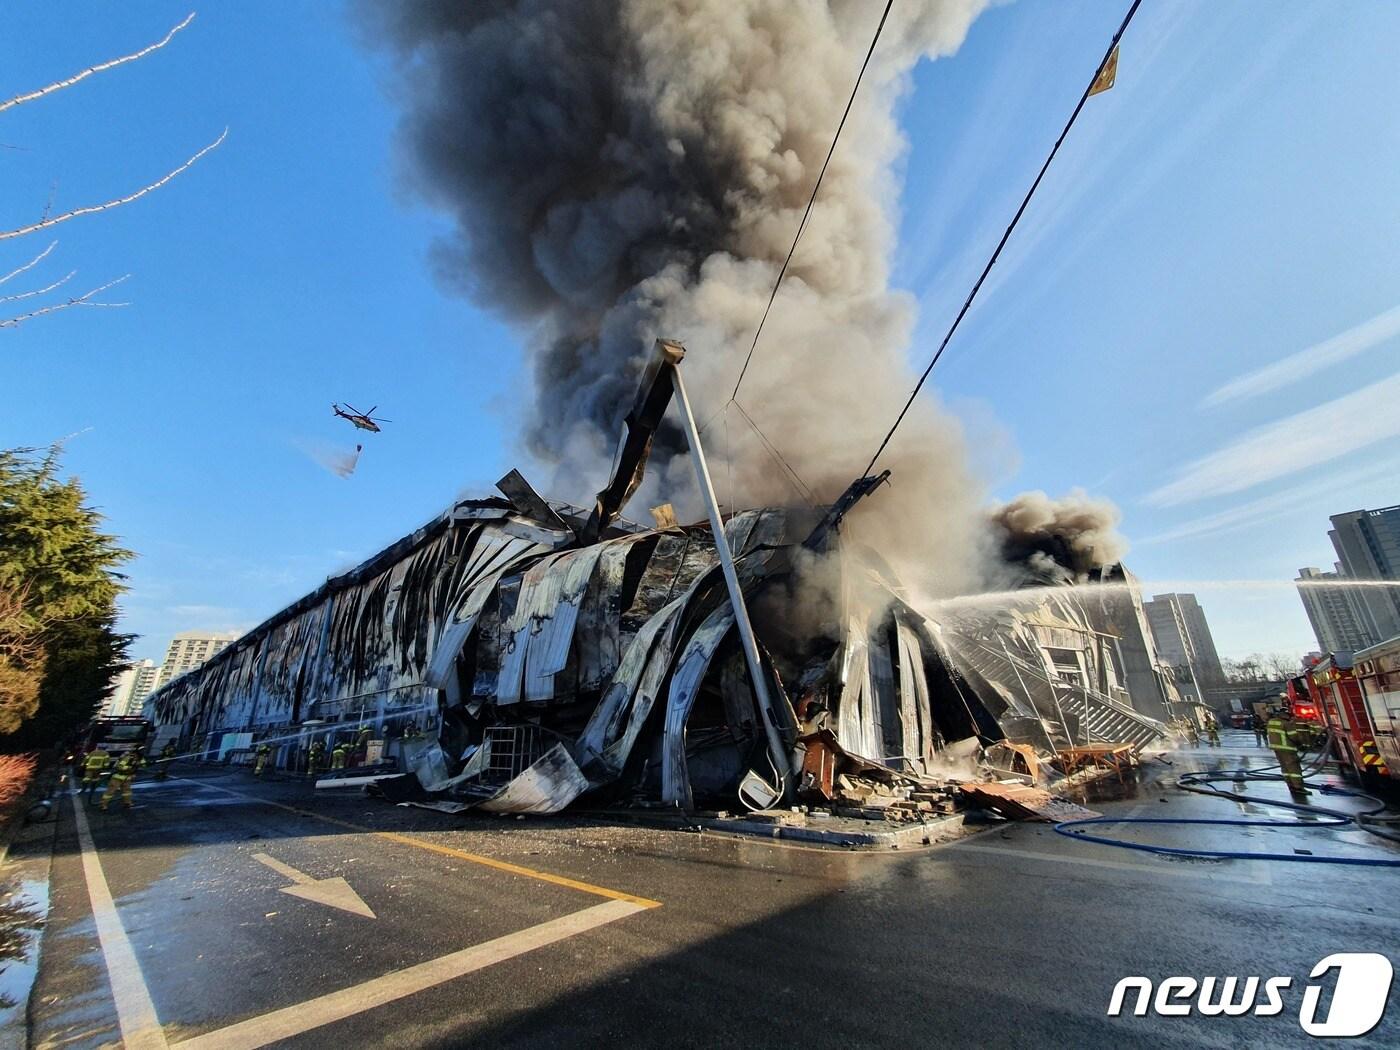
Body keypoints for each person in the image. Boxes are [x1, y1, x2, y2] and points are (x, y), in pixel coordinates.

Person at [1266, 715, 1310, 797]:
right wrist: (1301, 745)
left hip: (1277, 749)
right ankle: (1298, 787)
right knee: (1294, 769)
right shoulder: (1287, 724)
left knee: (1285, 768)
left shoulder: (1271, 722)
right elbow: (1294, 737)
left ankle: (1291, 786)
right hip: (1288, 749)